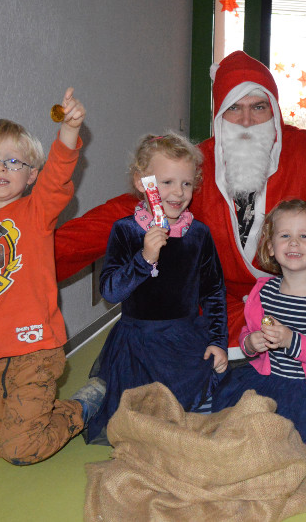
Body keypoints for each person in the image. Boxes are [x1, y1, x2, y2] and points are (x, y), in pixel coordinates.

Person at [53, 50, 306, 353]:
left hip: (302, 308)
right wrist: (35, 255)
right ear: (219, 114)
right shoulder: (195, 165)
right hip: (225, 315)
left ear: (275, 109)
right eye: (234, 108)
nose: (246, 120)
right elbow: (124, 213)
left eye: (258, 107)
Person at [0, 89, 88, 464]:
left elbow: (57, 179)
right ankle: (42, 412)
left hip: (32, 352)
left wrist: (68, 132)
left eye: (13, 161)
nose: (1, 168)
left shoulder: (35, 212)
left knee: (19, 449)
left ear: (31, 174)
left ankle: (83, 408)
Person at [84, 133, 228, 444]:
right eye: (166, 183)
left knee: (193, 418)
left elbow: (213, 291)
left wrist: (218, 340)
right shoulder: (125, 230)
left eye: (186, 183)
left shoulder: (198, 234)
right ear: (141, 182)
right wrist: (144, 258)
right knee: (137, 426)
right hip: (138, 345)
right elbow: (110, 291)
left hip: (185, 341)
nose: (178, 192)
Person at [211, 199, 306, 454]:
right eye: (285, 235)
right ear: (271, 247)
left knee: (289, 446)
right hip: (266, 381)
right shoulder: (263, 291)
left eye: (304, 235)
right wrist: (251, 343)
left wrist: (290, 340)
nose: (294, 242)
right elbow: (247, 334)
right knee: (240, 432)